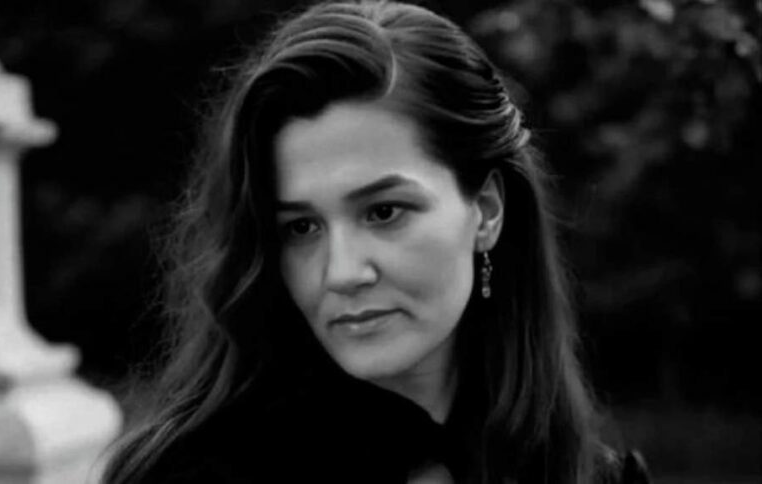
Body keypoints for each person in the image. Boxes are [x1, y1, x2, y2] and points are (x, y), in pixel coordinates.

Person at [103, 1, 650, 483]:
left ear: (485, 210)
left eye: (384, 212)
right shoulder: (188, 475)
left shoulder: (589, 476)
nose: (341, 273)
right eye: (301, 227)